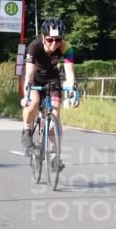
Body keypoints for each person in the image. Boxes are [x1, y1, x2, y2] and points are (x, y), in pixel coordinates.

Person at [21, 18, 78, 150]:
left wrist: (71, 93)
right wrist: (26, 95)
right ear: (43, 37)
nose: (54, 43)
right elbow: (28, 74)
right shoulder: (34, 46)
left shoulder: (66, 47)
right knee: (33, 103)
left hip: (53, 78)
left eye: (58, 39)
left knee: (56, 111)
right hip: (35, 78)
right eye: (50, 39)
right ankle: (27, 129)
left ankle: (55, 151)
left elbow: (69, 73)